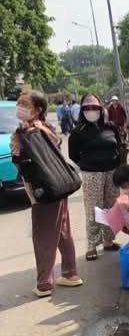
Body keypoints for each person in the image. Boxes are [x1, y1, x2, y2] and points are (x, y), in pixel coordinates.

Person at [10, 91, 83, 297]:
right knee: (62, 230)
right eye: (19, 103)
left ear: (38, 110)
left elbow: (20, 164)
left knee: (43, 235)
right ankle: (70, 274)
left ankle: (44, 283)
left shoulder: (24, 133)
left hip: (42, 191)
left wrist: (19, 139)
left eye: (24, 104)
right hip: (60, 185)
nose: (19, 107)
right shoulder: (48, 129)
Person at [68, 93, 123, 261]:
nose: (91, 111)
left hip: (112, 173)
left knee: (111, 208)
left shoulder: (110, 127)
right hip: (92, 175)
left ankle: (108, 240)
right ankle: (92, 245)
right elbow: (73, 155)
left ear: (101, 109)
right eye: (87, 108)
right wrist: (87, 164)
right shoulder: (78, 132)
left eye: (95, 107)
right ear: (82, 110)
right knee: (94, 210)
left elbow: (119, 146)